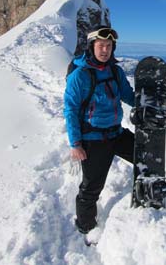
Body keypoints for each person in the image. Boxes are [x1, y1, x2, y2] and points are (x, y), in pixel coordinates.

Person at [63, 26, 135, 234]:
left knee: (145, 156)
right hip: (93, 140)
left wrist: (147, 105)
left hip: (116, 133)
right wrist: (75, 144)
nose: (105, 50)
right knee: (91, 189)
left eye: (109, 46)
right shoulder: (80, 76)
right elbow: (71, 110)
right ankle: (86, 228)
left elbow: (128, 95)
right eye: (101, 45)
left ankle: (145, 194)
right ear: (91, 46)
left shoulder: (115, 70)